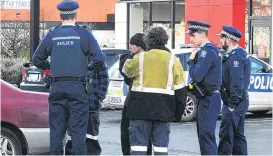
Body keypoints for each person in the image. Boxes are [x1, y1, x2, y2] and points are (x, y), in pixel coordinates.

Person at [32, 0, 106, 154]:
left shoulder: (52, 35)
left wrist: (51, 67)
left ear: (61, 15)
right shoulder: (83, 34)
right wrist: (86, 68)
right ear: (75, 14)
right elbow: (99, 59)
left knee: (56, 134)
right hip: (78, 90)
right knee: (78, 135)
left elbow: (36, 59)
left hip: (57, 88)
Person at [122, 27, 187, 155]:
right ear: (165, 40)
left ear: (148, 41)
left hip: (139, 110)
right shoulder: (174, 60)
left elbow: (125, 70)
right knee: (160, 149)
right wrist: (177, 114)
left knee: (138, 149)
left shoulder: (140, 58)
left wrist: (131, 55)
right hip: (163, 111)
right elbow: (181, 91)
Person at [185, 20, 222, 155]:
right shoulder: (207, 51)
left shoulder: (207, 52)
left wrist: (190, 61)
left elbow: (197, 76)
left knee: (206, 136)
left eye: (193, 36)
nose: (191, 39)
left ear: (202, 34)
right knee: (204, 135)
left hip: (209, 98)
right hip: (207, 98)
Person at [217, 26, 251, 155]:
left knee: (226, 136)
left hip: (234, 103)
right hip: (240, 102)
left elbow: (237, 83)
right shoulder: (238, 54)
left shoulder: (236, 57)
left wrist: (231, 105)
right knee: (238, 136)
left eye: (222, 38)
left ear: (229, 40)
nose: (220, 41)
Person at [65, 61, 109, 155]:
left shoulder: (98, 60)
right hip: (75, 105)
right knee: (74, 134)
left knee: (91, 135)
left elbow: (104, 79)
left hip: (92, 105)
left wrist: (100, 96)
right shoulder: (74, 58)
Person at [119, 33, 152, 155]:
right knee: (145, 135)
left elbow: (126, 72)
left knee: (127, 132)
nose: (130, 47)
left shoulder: (135, 60)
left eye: (132, 45)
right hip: (149, 101)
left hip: (134, 99)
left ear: (139, 46)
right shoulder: (151, 59)